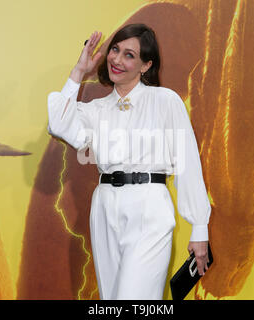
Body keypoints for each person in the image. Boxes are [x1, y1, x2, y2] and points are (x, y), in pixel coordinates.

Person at [47, 23, 211, 300]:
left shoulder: (165, 101)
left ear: (146, 65)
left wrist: (199, 227)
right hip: (104, 207)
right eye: (115, 50)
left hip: (149, 207)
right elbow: (59, 124)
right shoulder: (95, 110)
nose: (117, 59)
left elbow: (187, 162)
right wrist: (78, 72)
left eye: (129, 55)